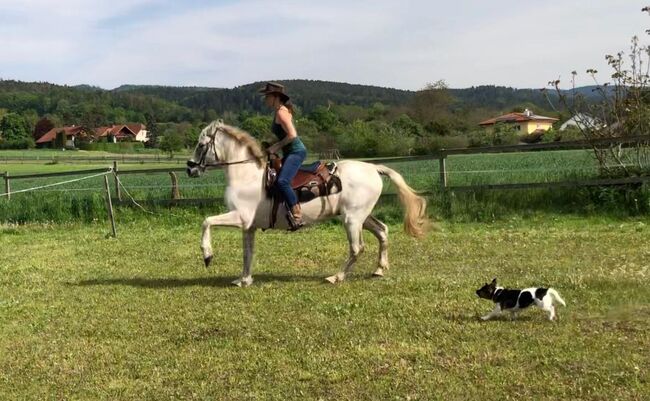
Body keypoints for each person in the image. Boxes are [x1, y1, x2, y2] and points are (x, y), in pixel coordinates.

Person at [259, 82, 307, 230]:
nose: (265, 99)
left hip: (296, 152)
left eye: (267, 96)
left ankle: (297, 213)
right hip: (289, 152)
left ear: (275, 97)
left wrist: (276, 146)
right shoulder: (279, 111)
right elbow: (284, 135)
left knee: (282, 182)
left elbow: (292, 135)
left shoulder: (281, 112)